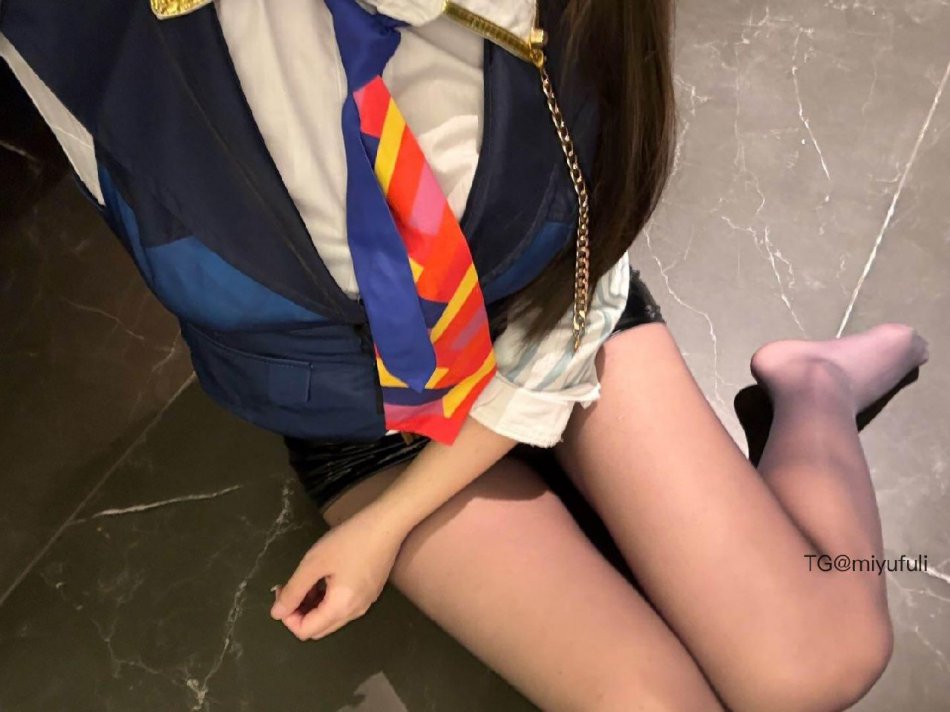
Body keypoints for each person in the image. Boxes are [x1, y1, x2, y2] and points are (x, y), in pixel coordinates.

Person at [1, 1, 929, 710]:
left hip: (546, 323)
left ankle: (813, 387)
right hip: (361, 413)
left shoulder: (561, 22)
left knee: (820, 662)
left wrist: (391, 525)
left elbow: (576, 290)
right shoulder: (81, 40)